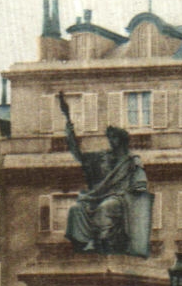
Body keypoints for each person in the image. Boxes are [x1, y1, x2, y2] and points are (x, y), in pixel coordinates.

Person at [59, 92, 149, 255]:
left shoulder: (131, 160)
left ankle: (99, 241)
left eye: (114, 138)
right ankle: (81, 246)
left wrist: (137, 188)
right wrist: (70, 134)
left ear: (122, 141)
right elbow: (79, 155)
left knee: (105, 207)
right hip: (98, 195)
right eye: (110, 138)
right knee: (76, 209)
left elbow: (140, 182)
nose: (111, 141)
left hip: (121, 198)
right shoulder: (102, 157)